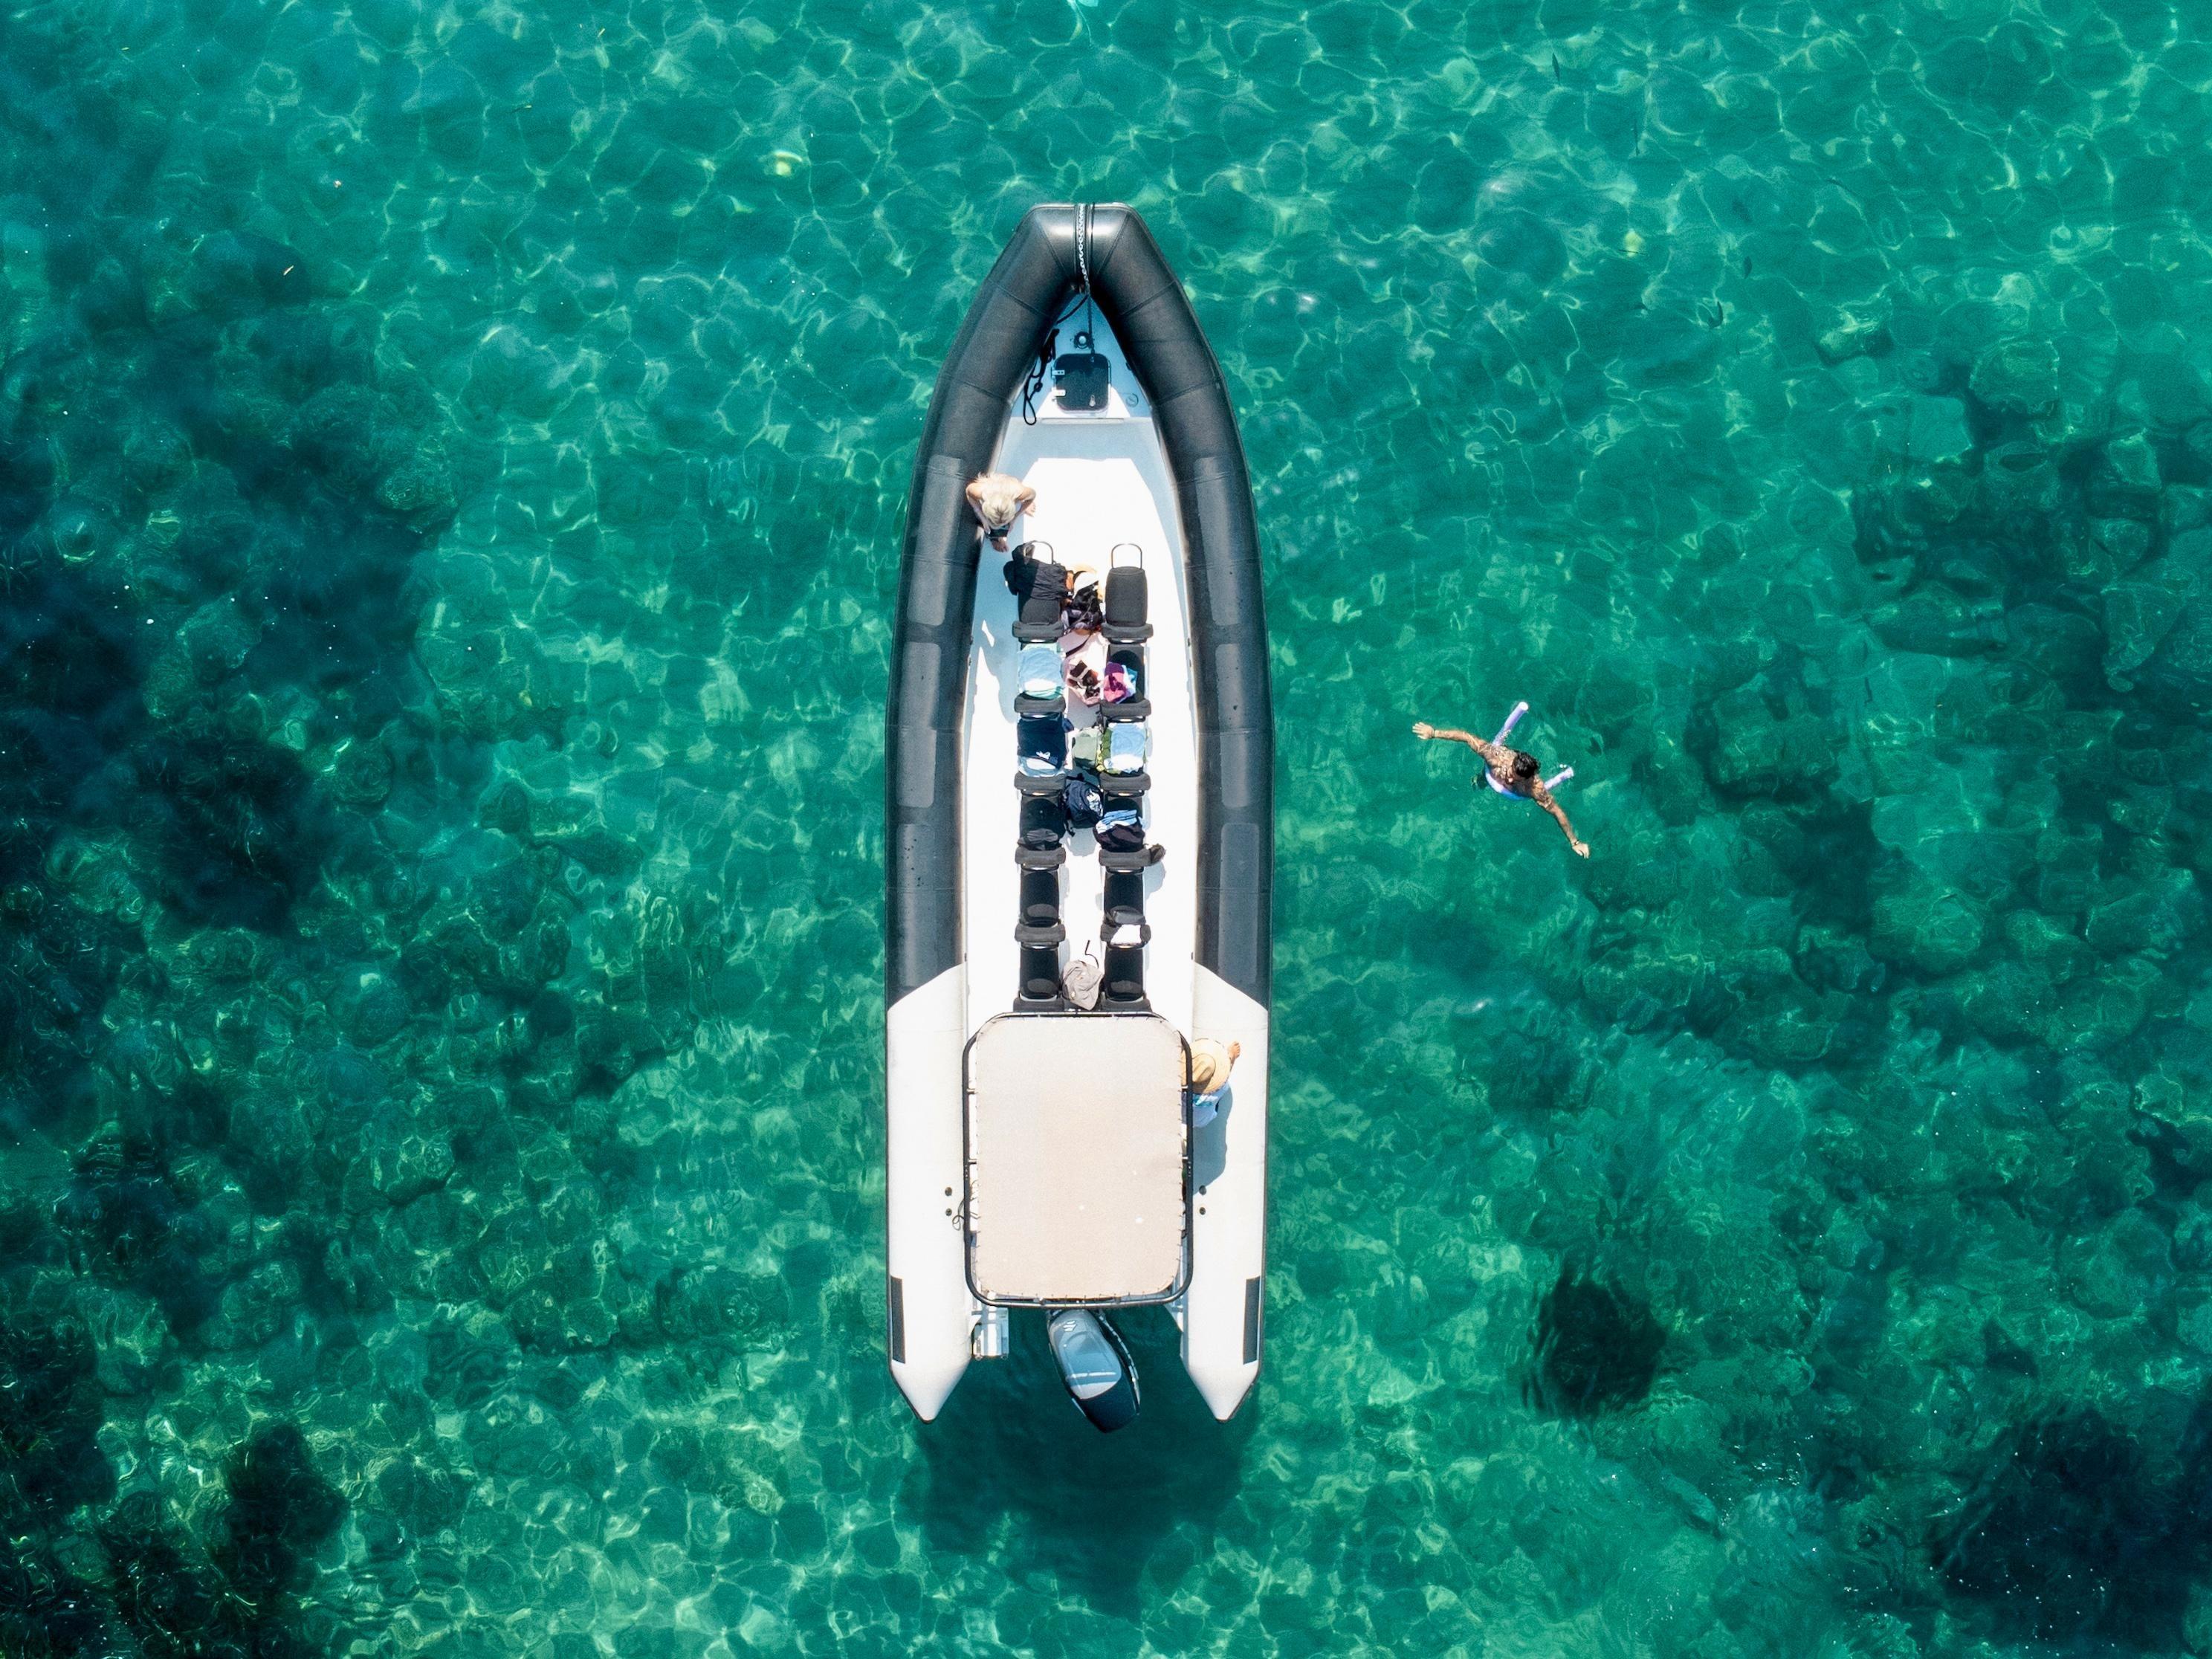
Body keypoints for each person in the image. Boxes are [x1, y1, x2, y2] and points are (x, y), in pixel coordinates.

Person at [1414, 708, 1589, 858]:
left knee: (1544, 799)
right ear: (1511, 764)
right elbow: (1466, 737)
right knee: (1484, 777)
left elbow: (1557, 812)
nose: (1510, 780)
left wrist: (1575, 842)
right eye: (1511, 774)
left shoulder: (1534, 788)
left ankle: (1563, 775)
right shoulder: (1496, 758)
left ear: (1528, 778)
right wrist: (1435, 733)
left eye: (1516, 779)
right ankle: (1481, 779)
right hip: (1493, 769)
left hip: (1523, 792)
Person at [966, 472, 1035, 552]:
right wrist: (981, 515)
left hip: (1013, 490)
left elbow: (1033, 495)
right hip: (991, 490)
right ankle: (996, 537)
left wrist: (1017, 515)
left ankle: (1023, 504)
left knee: (1027, 498)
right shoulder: (980, 492)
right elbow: (968, 492)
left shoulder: (1021, 493)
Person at [1189, 1038, 1240, 1127]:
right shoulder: (1221, 1088)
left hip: (1183, 1118)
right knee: (1222, 1087)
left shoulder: (1179, 1085)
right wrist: (1230, 1061)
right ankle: (1230, 1059)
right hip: (1204, 1121)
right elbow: (1225, 1077)